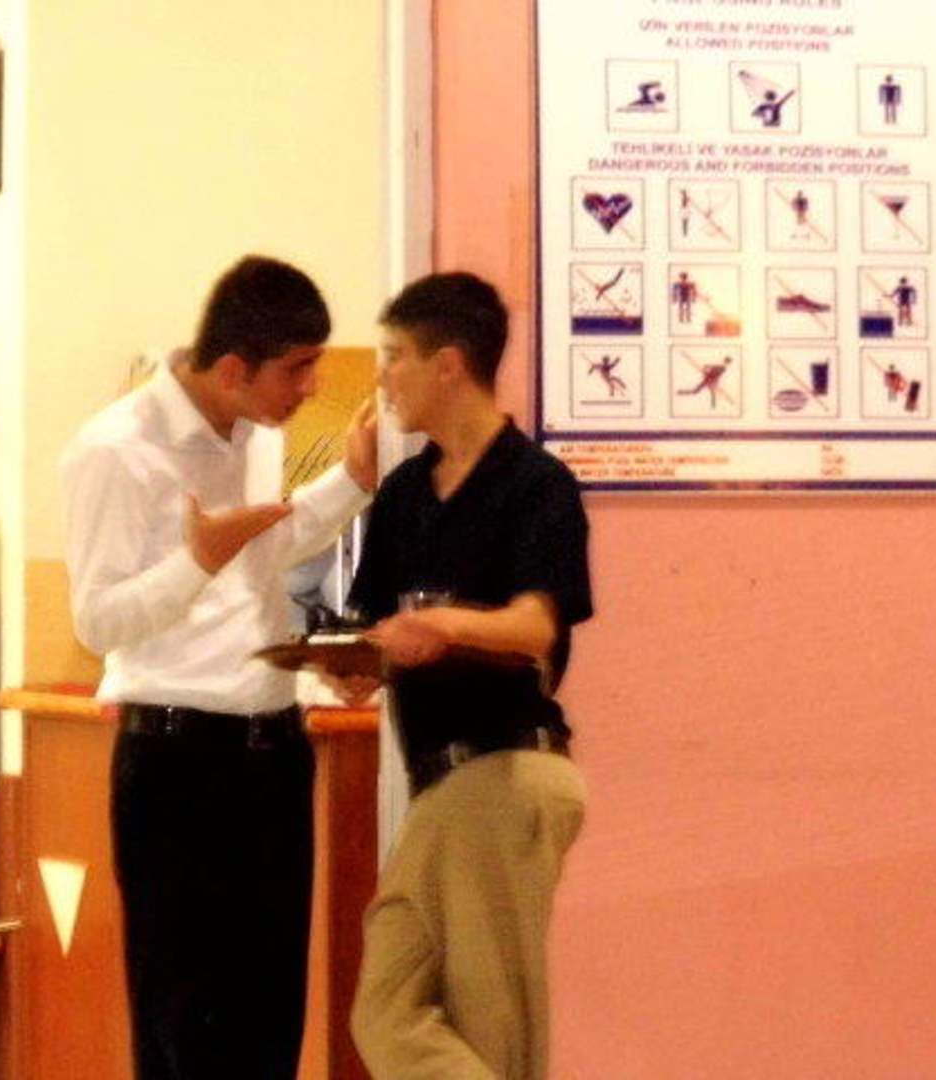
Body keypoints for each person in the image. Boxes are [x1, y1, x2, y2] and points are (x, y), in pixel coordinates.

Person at [61, 254, 377, 1080]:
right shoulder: (115, 449)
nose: (311, 387)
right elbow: (96, 621)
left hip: (273, 750)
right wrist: (194, 561)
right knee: (186, 1020)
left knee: (270, 1018)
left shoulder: (254, 434)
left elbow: (266, 546)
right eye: (297, 368)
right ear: (234, 368)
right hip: (177, 761)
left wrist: (354, 480)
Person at [333, 272, 593, 1080]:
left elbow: (535, 627)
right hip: (438, 786)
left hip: (507, 771)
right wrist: (353, 664)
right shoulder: (405, 492)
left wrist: (442, 625)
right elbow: (375, 629)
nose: (383, 378)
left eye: (395, 357)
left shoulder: (535, 485)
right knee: (385, 1011)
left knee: (493, 1028)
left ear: (448, 365)